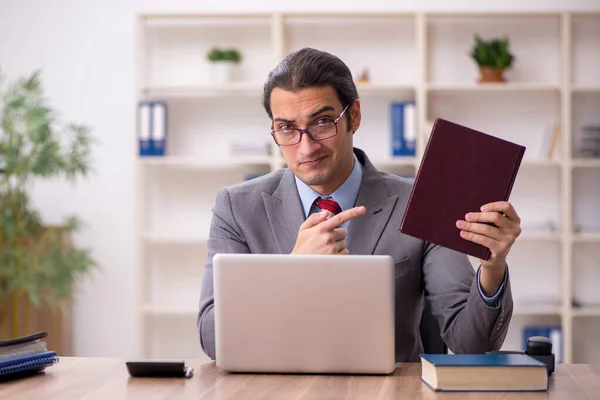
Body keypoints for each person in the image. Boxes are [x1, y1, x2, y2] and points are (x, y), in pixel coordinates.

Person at [197, 47, 520, 362]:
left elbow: (471, 343)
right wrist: (293, 271)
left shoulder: (419, 202)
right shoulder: (236, 208)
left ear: (354, 115)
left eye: (322, 122)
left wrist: (492, 266)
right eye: (287, 128)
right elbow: (213, 339)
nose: (306, 147)